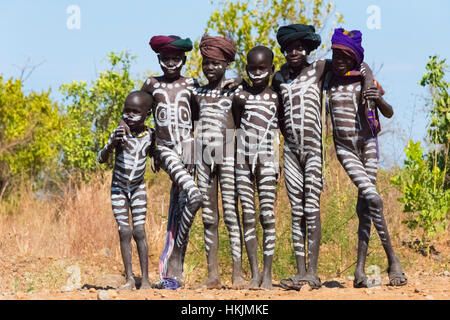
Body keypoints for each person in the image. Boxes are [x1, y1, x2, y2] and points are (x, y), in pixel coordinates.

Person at [272, 24, 376, 290]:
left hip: (313, 151)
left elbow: (359, 66)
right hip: (291, 152)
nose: (294, 52)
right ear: (283, 50)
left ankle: (313, 273)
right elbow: (279, 113)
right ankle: (300, 271)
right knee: (296, 211)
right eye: (289, 48)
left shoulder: (319, 68)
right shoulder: (279, 77)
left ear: (307, 48)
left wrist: (368, 86)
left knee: (311, 207)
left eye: (299, 47)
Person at [327, 28, 407, 288]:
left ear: (353, 58)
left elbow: (390, 112)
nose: (339, 60)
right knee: (373, 197)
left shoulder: (364, 80)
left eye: (344, 56)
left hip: (369, 143)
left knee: (366, 206)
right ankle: (393, 261)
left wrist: (377, 98)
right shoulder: (328, 80)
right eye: (336, 55)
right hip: (346, 149)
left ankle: (360, 271)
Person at [141, 35, 203, 289]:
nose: (170, 63)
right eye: (165, 58)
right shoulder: (151, 85)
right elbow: (138, 115)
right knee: (195, 196)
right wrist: (151, 146)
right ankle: (175, 256)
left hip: (188, 149)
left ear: (184, 59)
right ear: (158, 59)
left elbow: (198, 117)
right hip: (166, 149)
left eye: (175, 58)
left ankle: (172, 272)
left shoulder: (192, 84)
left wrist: (197, 148)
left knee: (180, 206)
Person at [191, 35, 245, 289]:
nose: (210, 68)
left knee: (232, 214)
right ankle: (212, 275)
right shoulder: (197, 93)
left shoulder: (235, 91)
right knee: (209, 217)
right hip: (202, 156)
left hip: (229, 153)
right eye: (206, 63)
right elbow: (192, 123)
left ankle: (237, 274)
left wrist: (242, 81)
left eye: (215, 63)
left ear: (226, 63)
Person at [232, 46, 280, 289]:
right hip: (243, 161)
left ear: (272, 69)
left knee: (267, 215)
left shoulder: (276, 96)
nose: (258, 73)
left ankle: (268, 274)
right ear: (247, 70)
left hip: (269, 161)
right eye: (253, 69)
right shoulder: (240, 96)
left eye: (263, 68)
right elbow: (236, 124)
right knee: (248, 216)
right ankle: (254, 273)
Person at [98, 91, 155, 290]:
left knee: (139, 231)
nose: (129, 116)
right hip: (119, 189)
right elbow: (101, 158)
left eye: (135, 112)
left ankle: (146, 279)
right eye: (126, 111)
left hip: (138, 187)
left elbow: (156, 154)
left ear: (147, 115)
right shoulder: (119, 133)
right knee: (125, 231)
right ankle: (130, 278)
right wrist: (113, 144)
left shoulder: (150, 135)